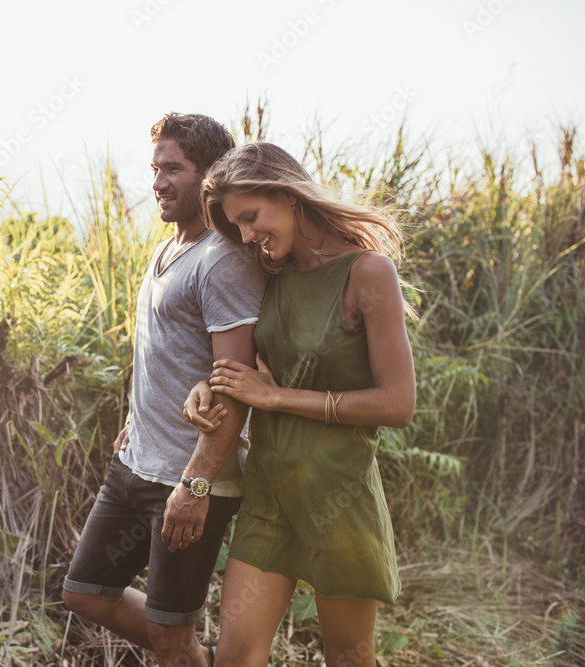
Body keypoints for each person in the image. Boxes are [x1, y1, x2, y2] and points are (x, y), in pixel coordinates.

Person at [182, 141, 416, 666]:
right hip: (270, 490)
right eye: (235, 226)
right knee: (236, 655)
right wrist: (211, 384)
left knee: (348, 658)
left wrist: (276, 397)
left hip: (339, 492)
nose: (246, 236)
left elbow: (398, 404)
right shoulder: (270, 271)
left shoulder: (367, 273)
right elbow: (255, 364)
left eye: (250, 217)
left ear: (287, 194)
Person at [62, 114, 267, 666]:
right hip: (134, 464)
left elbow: (235, 382)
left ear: (210, 175)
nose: (157, 182)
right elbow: (166, 351)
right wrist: (138, 414)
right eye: (155, 168)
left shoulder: (223, 261)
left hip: (190, 480)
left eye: (172, 169)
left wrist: (196, 486)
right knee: (84, 591)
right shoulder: (170, 248)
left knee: (171, 636)